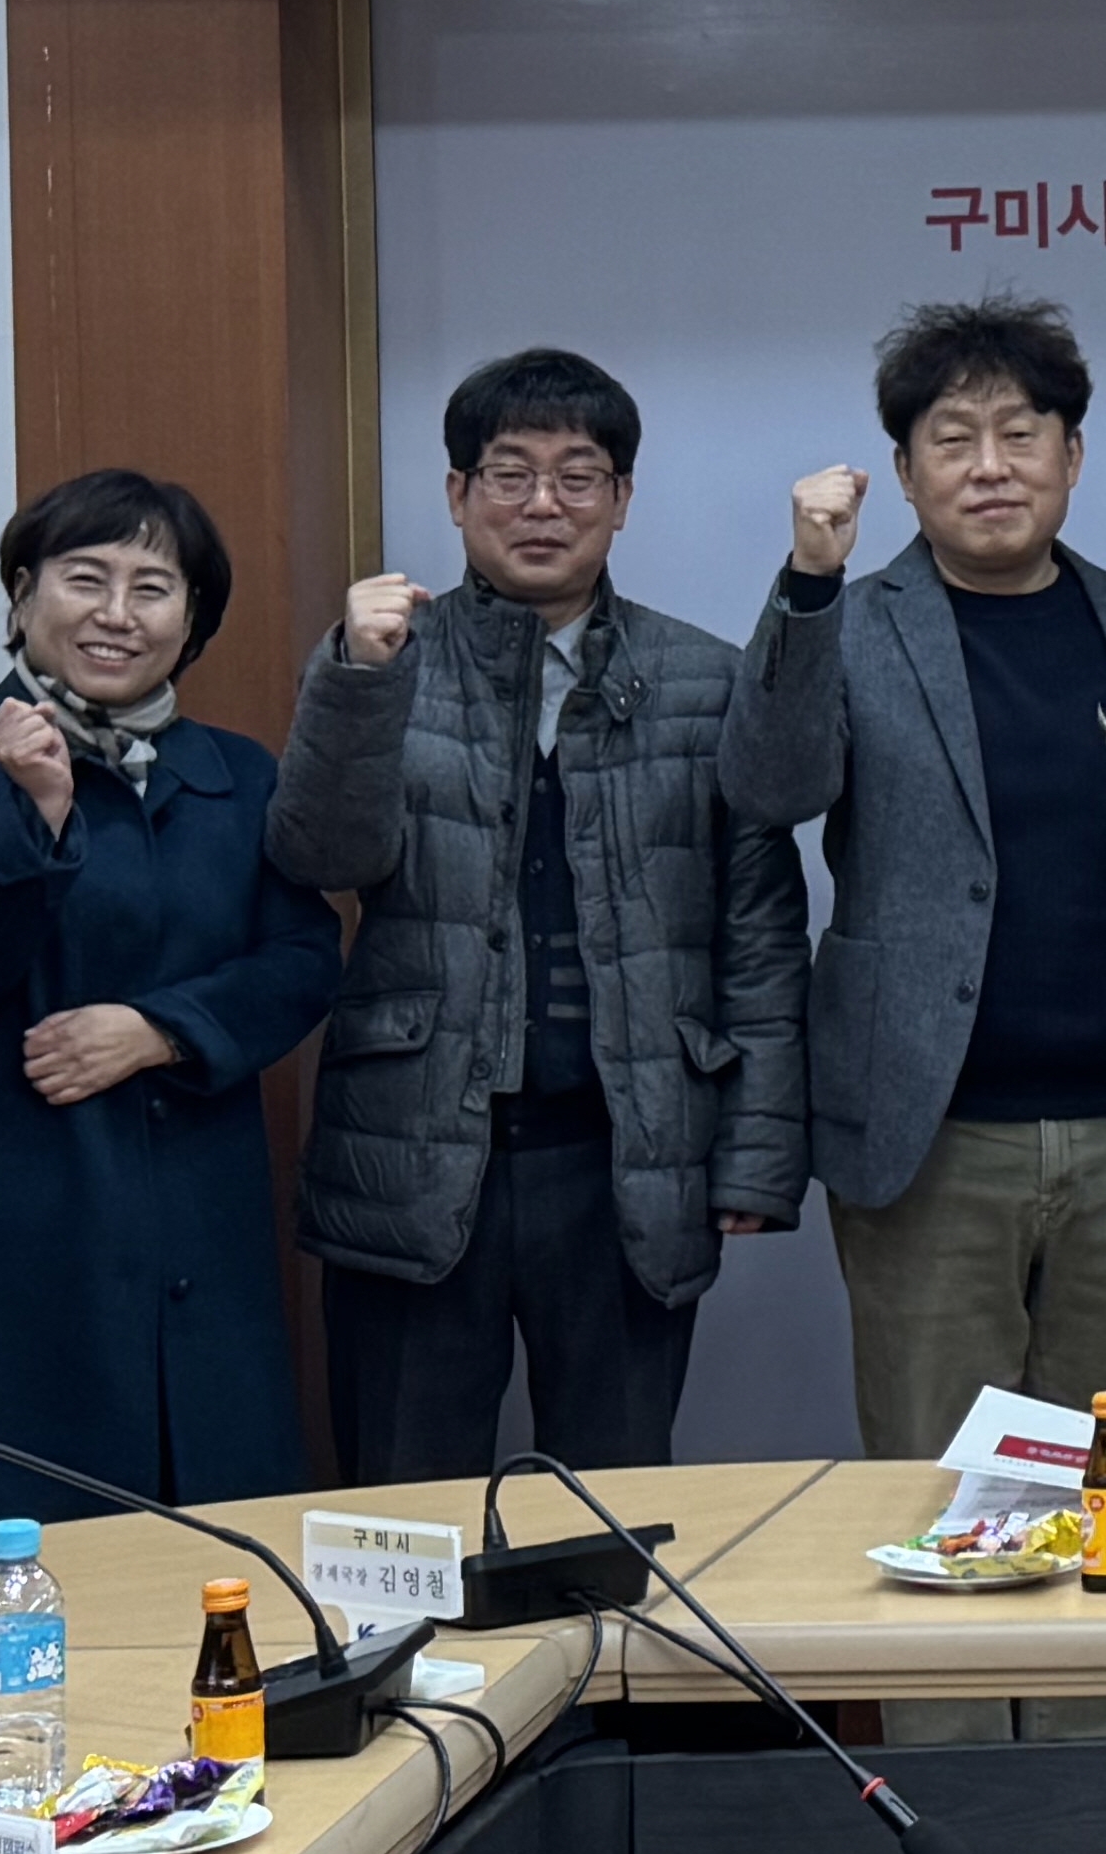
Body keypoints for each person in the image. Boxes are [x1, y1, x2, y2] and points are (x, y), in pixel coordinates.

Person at [726, 298, 1106, 1742]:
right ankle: (948, 1813)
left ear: (1073, 455)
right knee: (941, 1503)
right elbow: (768, 786)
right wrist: (806, 583)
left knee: (1103, 1506)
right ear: (904, 468)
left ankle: (1089, 1811)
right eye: (954, 438)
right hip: (930, 1134)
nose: (991, 465)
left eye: (1021, 433)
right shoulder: (853, 621)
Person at [271, 350, 809, 1484]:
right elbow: (321, 856)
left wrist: (757, 1158)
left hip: (624, 1162)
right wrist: (356, 683)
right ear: (457, 494)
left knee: (609, 1509)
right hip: (416, 1154)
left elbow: (758, 937)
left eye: (577, 476)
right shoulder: (385, 661)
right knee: (404, 1514)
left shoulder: (707, 679)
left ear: (622, 499)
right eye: (509, 474)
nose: (543, 504)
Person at [0, 473, 345, 1535]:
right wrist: (33, 816)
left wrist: (160, 1029)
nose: (117, 613)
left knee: (215, 1587)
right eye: (86, 579)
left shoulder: (237, 774)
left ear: (193, 617)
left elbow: (304, 957)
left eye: (153, 587)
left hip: (198, 1265)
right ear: (23, 593)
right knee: (8, 1593)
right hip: (8, 1267)